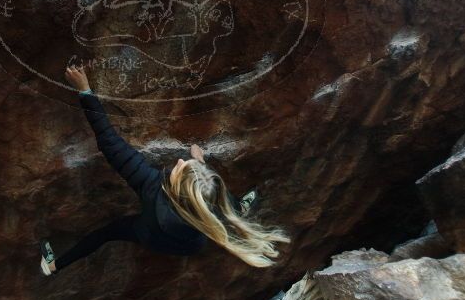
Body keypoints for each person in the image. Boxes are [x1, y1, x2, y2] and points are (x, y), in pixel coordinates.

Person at [39, 65, 290, 276]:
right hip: (187, 245)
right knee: (219, 201)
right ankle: (238, 209)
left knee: (106, 233)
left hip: (148, 233)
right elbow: (204, 189)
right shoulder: (204, 208)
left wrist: (85, 90)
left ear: (174, 190)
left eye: (182, 168)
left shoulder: (150, 185)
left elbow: (109, 141)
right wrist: (199, 163)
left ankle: (52, 266)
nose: (180, 162)